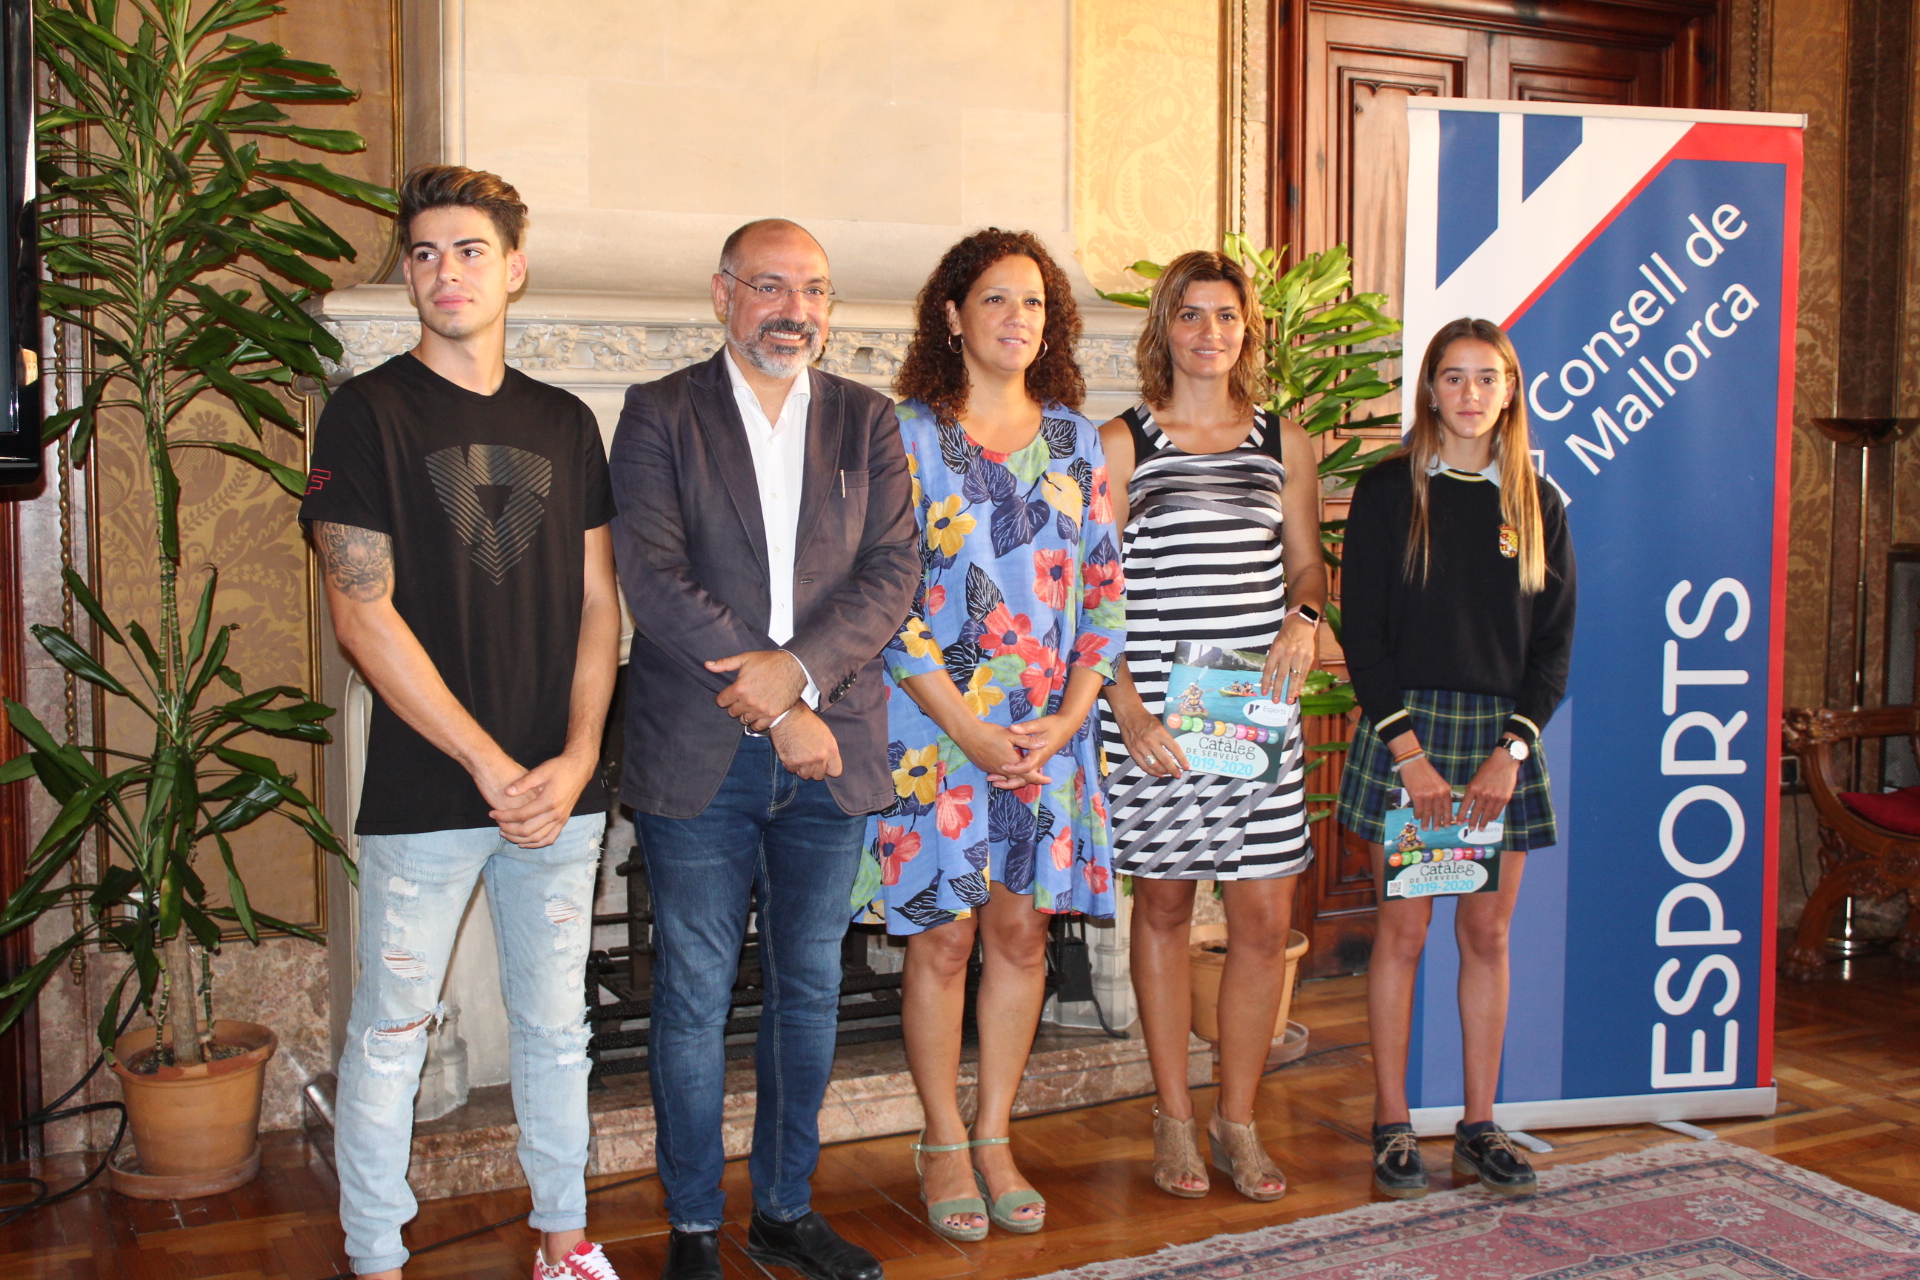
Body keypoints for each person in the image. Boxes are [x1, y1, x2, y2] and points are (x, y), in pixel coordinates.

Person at [303, 166, 623, 1280]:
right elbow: (360, 612)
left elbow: (599, 602)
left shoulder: (566, 420)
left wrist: (578, 756)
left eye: (471, 250)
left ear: (513, 269)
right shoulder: (368, 411)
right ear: (409, 273)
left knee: (556, 1029)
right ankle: (377, 1256)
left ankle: (561, 1238)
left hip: (559, 790)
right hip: (430, 787)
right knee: (392, 1036)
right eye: (427, 252)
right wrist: (492, 760)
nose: (447, 271)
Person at [608, 219, 918, 1280]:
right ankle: (695, 1222)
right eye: (772, 286)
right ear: (723, 294)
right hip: (705, 748)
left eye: (816, 290)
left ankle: (785, 1207)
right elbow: (650, 579)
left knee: (809, 989)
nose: (797, 309)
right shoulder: (658, 414)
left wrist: (803, 676)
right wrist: (780, 702)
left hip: (830, 747)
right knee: (693, 992)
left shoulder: (868, 421)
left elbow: (892, 571)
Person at [852, 229, 1123, 1242]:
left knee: (1020, 932)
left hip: (1049, 736)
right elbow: (887, 597)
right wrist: (967, 724)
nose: (1019, 318)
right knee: (945, 937)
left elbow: (1104, 593)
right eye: (999, 299)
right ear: (953, 314)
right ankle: (940, 1138)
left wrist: (1072, 711)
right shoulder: (906, 435)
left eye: (1036, 304)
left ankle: (997, 1129)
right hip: (936, 731)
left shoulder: (1078, 441)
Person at [1097, 251, 1327, 1203]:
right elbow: (1090, 592)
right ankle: (1174, 1120)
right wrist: (1123, 703)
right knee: (1162, 907)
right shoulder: (1122, 443)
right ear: (1165, 329)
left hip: (1258, 711)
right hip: (1157, 716)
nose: (1208, 333)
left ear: (1247, 328)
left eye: (1224, 316)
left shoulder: (1287, 439)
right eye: (1189, 316)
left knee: (1263, 917)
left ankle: (1238, 1119)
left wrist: (1303, 621)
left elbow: (1308, 566)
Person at [1337, 316, 1576, 1200]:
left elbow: (1552, 647)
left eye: (1488, 377)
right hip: (1410, 739)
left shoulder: (1537, 503)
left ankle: (1478, 1126)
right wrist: (1410, 757)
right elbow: (1362, 634)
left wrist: (1511, 753)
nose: (1470, 394)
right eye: (1453, 377)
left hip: (1498, 747)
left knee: (1489, 931)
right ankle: (1392, 1124)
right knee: (1403, 931)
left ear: (1510, 391)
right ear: (1429, 389)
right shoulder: (1389, 490)